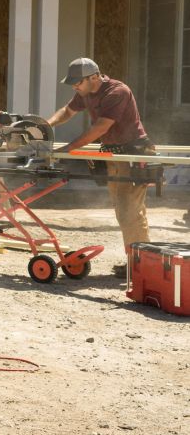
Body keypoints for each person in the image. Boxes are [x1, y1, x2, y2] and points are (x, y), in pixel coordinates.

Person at [46, 57, 155, 276]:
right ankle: (140, 262)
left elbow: (100, 128)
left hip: (133, 153)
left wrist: (69, 148)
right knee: (127, 210)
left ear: (94, 77)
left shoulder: (117, 92)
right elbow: (67, 111)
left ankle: (140, 266)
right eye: (73, 83)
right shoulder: (86, 92)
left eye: (78, 82)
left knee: (128, 211)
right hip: (115, 154)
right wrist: (45, 125)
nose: (75, 86)